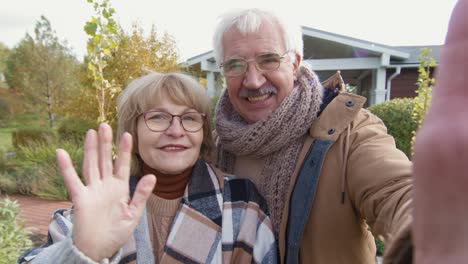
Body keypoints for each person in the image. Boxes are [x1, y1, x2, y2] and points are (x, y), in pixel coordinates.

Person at [212, 9, 412, 263]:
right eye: (235, 65)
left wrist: (431, 228)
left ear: (294, 63)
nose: (253, 81)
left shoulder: (349, 132)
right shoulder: (212, 148)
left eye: (269, 59)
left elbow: (397, 191)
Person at [18, 72, 277, 263]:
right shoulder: (101, 207)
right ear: (134, 131)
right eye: (157, 117)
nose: (176, 131)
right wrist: (81, 252)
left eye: (189, 117)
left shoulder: (243, 203)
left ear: (203, 132)